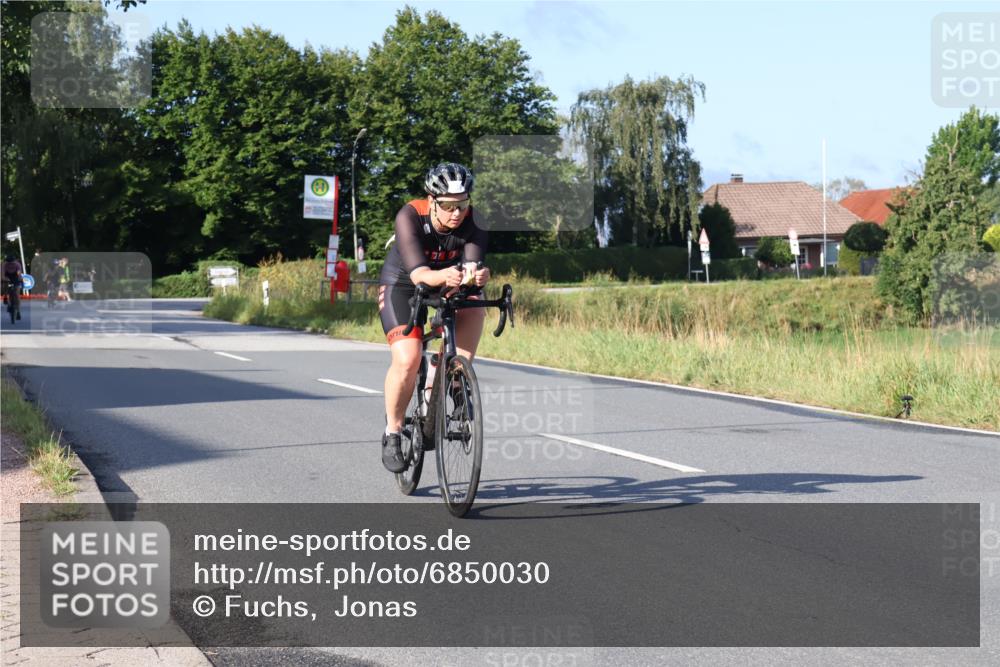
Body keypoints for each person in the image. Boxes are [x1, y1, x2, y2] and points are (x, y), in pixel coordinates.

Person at [378, 163, 490, 473]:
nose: (457, 213)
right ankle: (393, 433)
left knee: (474, 303)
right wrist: (447, 276)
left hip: (448, 280)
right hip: (403, 284)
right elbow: (420, 274)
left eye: (463, 204)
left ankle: (449, 375)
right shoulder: (410, 216)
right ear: (432, 201)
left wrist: (478, 276)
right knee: (407, 358)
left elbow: (469, 270)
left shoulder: (473, 220)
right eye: (449, 206)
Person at [2, 254, 23, 320]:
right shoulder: (3, 265)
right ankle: (5, 296)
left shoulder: (17, 265)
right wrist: (4, 279)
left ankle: (18, 311)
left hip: (15, 278)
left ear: (14, 261)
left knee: (17, 294)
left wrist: (20, 280)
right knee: (3, 286)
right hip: (7, 277)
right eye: (9, 262)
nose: (10, 264)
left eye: (12, 262)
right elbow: (2, 275)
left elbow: (19, 274)